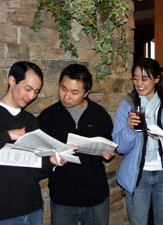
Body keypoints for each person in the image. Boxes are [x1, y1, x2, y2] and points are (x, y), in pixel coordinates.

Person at [0, 61, 64, 225]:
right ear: (12, 80)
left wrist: (51, 162)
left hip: (33, 209)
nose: (31, 97)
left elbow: (35, 171)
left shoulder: (31, 122)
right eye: (28, 89)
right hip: (1, 213)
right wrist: (5, 136)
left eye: (36, 92)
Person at [112, 58, 163, 225]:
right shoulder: (128, 105)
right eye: (135, 78)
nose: (139, 83)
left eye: (144, 78)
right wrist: (129, 128)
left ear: (157, 79)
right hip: (137, 176)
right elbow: (119, 146)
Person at [38, 63, 114, 225]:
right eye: (63, 89)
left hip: (95, 196)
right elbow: (40, 154)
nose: (66, 96)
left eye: (74, 92)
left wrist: (107, 152)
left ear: (86, 93)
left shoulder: (99, 115)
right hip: (62, 198)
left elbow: (106, 145)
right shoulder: (47, 116)